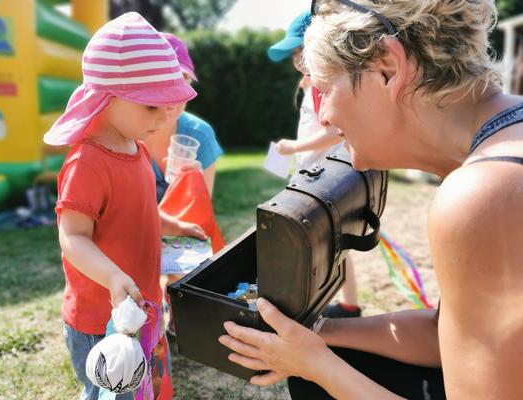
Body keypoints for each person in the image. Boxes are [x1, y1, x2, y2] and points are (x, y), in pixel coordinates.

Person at [219, 0, 523, 399]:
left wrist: (316, 366)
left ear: (387, 67)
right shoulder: (500, 144)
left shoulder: (485, 194)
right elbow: (444, 332)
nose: (324, 116)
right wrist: (318, 334)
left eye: (325, 89)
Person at [43, 13, 197, 400]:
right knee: (109, 392)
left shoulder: (138, 149)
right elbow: (73, 237)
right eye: (151, 107)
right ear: (107, 100)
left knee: (139, 385)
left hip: (140, 305)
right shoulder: (87, 163)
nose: (164, 117)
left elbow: (141, 210)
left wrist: (175, 224)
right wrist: (112, 278)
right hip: (102, 319)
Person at [269, 10, 361, 319]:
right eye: (294, 52)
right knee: (336, 244)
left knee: (327, 244)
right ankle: (348, 304)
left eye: (301, 50)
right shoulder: (312, 85)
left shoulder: (328, 86)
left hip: (327, 175)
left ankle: (333, 304)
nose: (296, 58)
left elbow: (335, 129)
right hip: (312, 172)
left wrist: (295, 146)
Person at [144, 32, 223, 203]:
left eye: (182, 79)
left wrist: (196, 190)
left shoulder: (200, 134)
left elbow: (200, 218)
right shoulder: (125, 133)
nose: (174, 92)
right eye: (164, 78)